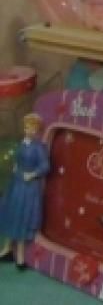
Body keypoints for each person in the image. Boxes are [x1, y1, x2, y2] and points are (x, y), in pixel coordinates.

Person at [0, 113, 49, 269]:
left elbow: (45, 166)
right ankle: (7, 248)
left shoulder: (38, 147)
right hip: (16, 182)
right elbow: (18, 158)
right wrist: (16, 167)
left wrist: (32, 174)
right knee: (11, 212)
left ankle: (20, 257)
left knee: (22, 216)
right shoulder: (22, 143)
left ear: (37, 130)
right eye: (27, 127)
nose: (29, 130)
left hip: (28, 186)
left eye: (32, 128)